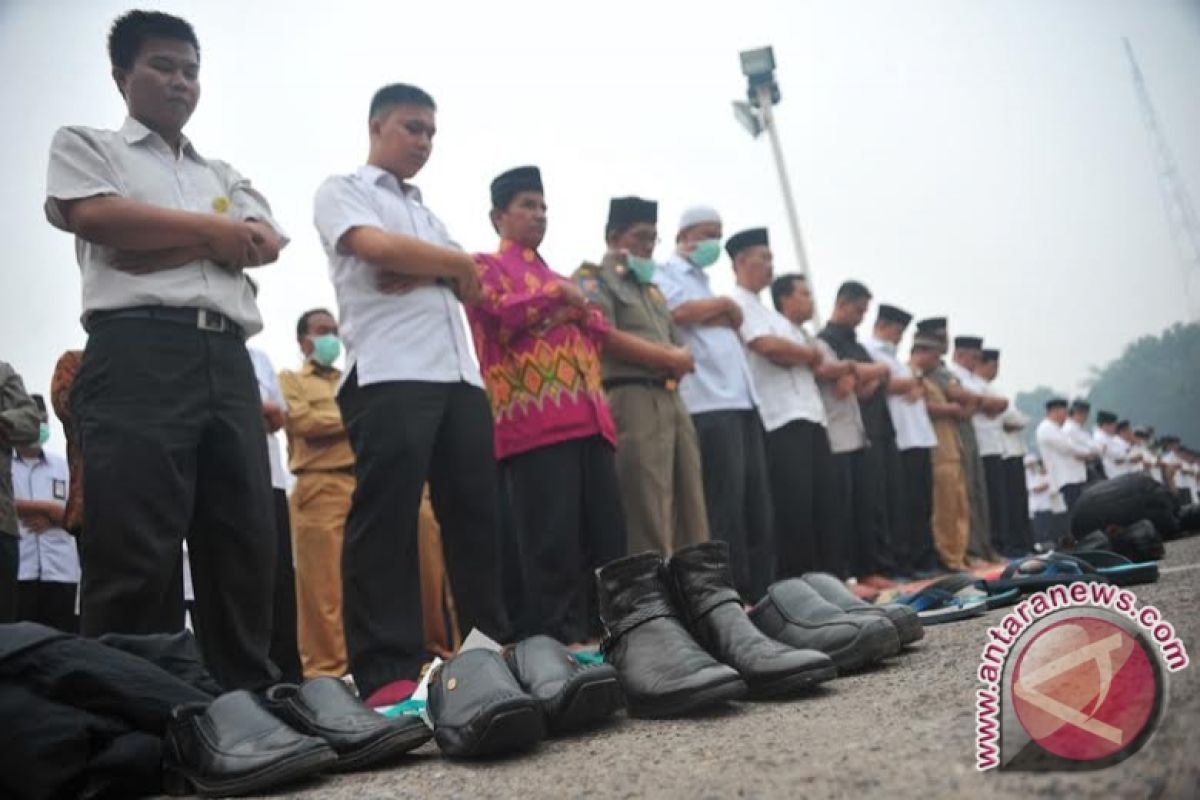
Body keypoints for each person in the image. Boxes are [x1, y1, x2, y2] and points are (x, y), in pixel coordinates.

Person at [44, 10, 287, 689]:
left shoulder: (222, 170)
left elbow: (266, 242)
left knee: (241, 541)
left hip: (226, 356)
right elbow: (99, 219)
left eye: (190, 70)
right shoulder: (89, 146)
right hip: (136, 351)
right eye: (162, 66)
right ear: (122, 76)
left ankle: (249, 707)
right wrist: (215, 237)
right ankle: (134, 718)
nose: (180, 82)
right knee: (136, 547)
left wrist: (164, 241)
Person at [313, 82, 509, 700]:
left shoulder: (429, 213)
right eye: (411, 127)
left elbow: (476, 284)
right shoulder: (342, 190)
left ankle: (489, 653)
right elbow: (372, 249)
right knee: (388, 521)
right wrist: (446, 265)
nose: (423, 142)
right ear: (376, 127)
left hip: (459, 377)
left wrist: (434, 263)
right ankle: (386, 673)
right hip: (391, 372)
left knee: (477, 518)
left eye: (430, 131)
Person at [467, 166, 625, 644]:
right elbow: (498, 314)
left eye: (543, 207)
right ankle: (557, 645)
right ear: (498, 215)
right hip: (533, 422)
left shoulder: (554, 276)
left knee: (604, 539)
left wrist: (564, 303)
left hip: (591, 419)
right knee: (549, 543)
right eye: (527, 206)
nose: (539, 215)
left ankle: (611, 637)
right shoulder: (484, 268)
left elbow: (596, 326)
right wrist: (559, 298)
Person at [572, 198, 708, 560]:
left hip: (672, 399)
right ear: (615, 237)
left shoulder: (652, 290)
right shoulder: (592, 278)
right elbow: (603, 335)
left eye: (653, 239)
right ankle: (654, 603)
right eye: (641, 237)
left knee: (690, 503)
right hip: (631, 398)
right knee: (646, 505)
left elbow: (681, 349)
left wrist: (675, 358)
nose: (649, 247)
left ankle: (698, 595)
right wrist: (667, 357)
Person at [656, 214, 773, 598]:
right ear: (685, 236)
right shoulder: (666, 271)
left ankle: (762, 588)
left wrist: (718, 309)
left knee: (754, 502)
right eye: (708, 235)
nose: (713, 244)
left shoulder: (702, 281)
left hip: (741, 400)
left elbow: (722, 319)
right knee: (724, 506)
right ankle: (732, 591)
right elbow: (677, 312)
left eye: (718, 237)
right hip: (708, 402)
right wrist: (722, 305)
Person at [730, 237, 830, 581]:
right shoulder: (735, 302)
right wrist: (806, 354)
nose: (770, 265)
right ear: (742, 261)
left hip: (810, 415)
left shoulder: (774, 315)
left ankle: (821, 579)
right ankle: (796, 582)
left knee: (819, 504)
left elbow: (811, 358)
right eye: (764, 257)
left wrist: (805, 354)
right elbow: (767, 346)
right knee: (792, 505)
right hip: (779, 418)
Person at [278, 309, 353, 679]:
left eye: (335, 331)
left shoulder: (352, 379)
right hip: (319, 486)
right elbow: (303, 421)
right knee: (323, 592)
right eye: (323, 331)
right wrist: (356, 417)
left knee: (367, 584)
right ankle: (329, 677)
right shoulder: (290, 380)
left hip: (364, 483)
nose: (332, 339)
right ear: (303, 340)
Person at [773, 274, 859, 578]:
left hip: (815, 418)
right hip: (786, 420)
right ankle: (806, 579)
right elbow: (823, 366)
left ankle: (832, 577)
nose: (810, 299)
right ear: (785, 298)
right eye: (803, 293)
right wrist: (847, 367)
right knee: (798, 506)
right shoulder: (775, 325)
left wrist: (845, 369)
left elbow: (826, 367)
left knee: (826, 503)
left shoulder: (805, 334)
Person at [818, 281, 899, 586]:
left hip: (867, 430)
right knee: (844, 505)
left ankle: (871, 568)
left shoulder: (857, 344)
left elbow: (867, 382)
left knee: (870, 502)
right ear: (842, 303)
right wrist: (870, 372)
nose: (861, 317)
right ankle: (848, 573)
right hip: (838, 433)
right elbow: (845, 383)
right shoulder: (826, 340)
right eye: (858, 310)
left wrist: (866, 374)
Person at [864, 303, 939, 576]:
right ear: (882, 326)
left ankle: (923, 558)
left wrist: (912, 383)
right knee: (901, 505)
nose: (899, 337)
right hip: (898, 436)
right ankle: (905, 560)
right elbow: (883, 385)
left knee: (922, 504)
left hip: (918, 434)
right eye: (897, 331)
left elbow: (913, 386)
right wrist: (908, 383)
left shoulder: (894, 358)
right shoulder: (869, 350)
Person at [11, 396, 79, 632]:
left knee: (62, 649)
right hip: (19, 574)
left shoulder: (64, 466)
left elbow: (80, 513)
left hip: (62, 574)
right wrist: (47, 509)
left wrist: (55, 517)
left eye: (44, 420)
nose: (40, 426)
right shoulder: (4, 467)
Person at [911, 337, 970, 571]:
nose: (937, 363)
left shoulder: (931, 380)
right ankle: (949, 558)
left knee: (959, 506)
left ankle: (959, 555)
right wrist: (949, 409)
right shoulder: (913, 376)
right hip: (937, 451)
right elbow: (920, 405)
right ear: (920, 353)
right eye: (934, 357)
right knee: (943, 509)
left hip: (951, 447)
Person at [946, 336, 1003, 561]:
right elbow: (977, 402)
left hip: (978, 441)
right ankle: (970, 550)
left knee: (980, 496)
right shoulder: (953, 375)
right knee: (966, 495)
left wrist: (980, 402)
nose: (977, 362)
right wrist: (982, 402)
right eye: (974, 357)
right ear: (959, 354)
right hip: (960, 436)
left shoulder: (974, 379)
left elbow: (999, 404)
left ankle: (984, 547)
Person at [971, 348, 1016, 556]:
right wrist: (990, 405)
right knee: (988, 501)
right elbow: (989, 406)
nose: (995, 370)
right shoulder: (968, 382)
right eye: (992, 365)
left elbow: (1003, 408)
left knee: (998, 502)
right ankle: (993, 546)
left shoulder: (985, 386)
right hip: (980, 447)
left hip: (995, 446)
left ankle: (1002, 545)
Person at [1035, 397, 1095, 511]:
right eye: (1065, 412)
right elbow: (1068, 448)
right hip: (1065, 478)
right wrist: (1087, 453)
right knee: (1076, 512)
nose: (1066, 416)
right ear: (1055, 411)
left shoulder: (1056, 428)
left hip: (1073, 477)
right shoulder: (1046, 428)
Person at [1064, 399, 1104, 483]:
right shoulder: (1071, 429)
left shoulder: (1076, 428)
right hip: (1077, 472)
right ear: (1077, 413)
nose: (1085, 418)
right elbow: (1095, 448)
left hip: (1082, 470)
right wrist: (1093, 453)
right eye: (1084, 414)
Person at [1024, 454, 1055, 549]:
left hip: (1047, 505)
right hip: (1036, 507)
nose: (1032, 465)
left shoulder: (1042, 473)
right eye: (1030, 464)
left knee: (1048, 527)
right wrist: (1048, 484)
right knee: (1039, 528)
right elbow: (1036, 489)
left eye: (1034, 463)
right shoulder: (1027, 475)